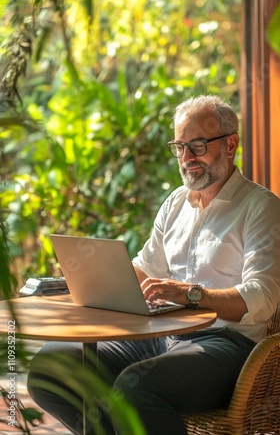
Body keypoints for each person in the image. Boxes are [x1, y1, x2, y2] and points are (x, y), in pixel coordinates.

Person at [27, 95, 280, 435]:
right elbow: (145, 268)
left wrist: (191, 294)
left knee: (136, 387)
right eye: (179, 147)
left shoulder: (260, 208)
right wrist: (92, 279)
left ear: (231, 144)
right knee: (51, 368)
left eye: (198, 145)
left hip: (228, 345)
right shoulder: (176, 202)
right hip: (162, 334)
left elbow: (261, 300)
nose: (187, 158)